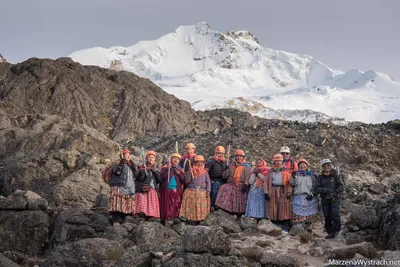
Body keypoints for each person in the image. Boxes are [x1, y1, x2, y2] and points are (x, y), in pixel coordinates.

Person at [313, 158, 344, 239]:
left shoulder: (335, 175)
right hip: (325, 199)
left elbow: (341, 186)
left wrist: (334, 193)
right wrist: (326, 190)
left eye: (328, 165)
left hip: (334, 198)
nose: (326, 166)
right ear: (322, 167)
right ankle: (330, 232)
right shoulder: (320, 177)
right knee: (327, 216)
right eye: (324, 165)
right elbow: (316, 188)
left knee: (335, 214)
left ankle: (337, 230)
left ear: (330, 165)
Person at [215, 150, 251, 216]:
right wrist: (226, 170)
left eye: (240, 156)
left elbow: (247, 177)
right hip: (231, 184)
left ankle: (240, 212)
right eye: (237, 156)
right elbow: (224, 177)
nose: (239, 158)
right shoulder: (230, 165)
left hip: (241, 184)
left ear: (243, 158)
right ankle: (223, 207)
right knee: (223, 187)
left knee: (241, 191)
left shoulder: (246, 167)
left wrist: (246, 184)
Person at [107, 149, 137, 226]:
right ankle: (115, 221)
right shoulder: (117, 163)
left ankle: (122, 221)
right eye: (125, 154)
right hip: (118, 186)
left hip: (128, 188)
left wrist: (133, 164)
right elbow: (117, 172)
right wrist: (121, 163)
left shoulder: (130, 166)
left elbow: (136, 174)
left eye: (128, 154)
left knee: (124, 205)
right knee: (117, 204)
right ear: (122, 155)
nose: (127, 156)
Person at [264, 154, 293, 231]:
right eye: (276, 161)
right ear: (274, 162)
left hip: (284, 191)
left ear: (282, 161)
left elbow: (290, 183)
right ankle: (275, 224)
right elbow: (266, 182)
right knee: (274, 206)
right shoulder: (270, 171)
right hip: (273, 190)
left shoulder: (286, 171)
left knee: (284, 207)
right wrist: (266, 192)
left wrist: (289, 192)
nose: (278, 163)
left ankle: (285, 225)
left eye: (279, 161)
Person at [179, 155, 211, 224]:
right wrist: (189, 173)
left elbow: (208, 182)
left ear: (203, 163)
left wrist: (208, 191)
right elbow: (186, 182)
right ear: (195, 163)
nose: (199, 164)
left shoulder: (205, 172)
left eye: (201, 162)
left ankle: (200, 218)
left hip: (202, 191)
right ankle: (190, 218)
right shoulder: (191, 170)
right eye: (198, 162)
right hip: (191, 190)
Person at [290, 158, 319, 232]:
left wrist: (312, 194)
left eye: (304, 165)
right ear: (298, 166)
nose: (302, 166)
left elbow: (315, 185)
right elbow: (292, 183)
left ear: (306, 166)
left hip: (309, 196)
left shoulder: (312, 175)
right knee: (298, 214)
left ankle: (308, 227)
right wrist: (293, 177)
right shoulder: (296, 174)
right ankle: (299, 228)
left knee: (309, 214)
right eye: (300, 165)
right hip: (298, 196)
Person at [159, 153, 185, 226]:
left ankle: (173, 218)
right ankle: (164, 218)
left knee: (175, 204)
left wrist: (179, 174)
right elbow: (161, 177)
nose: (175, 160)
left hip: (176, 190)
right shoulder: (165, 166)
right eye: (174, 158)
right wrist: (168, 169)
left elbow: (183, 181)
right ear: (171, 159)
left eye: (177, 159)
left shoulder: (179, 168)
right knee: (166, 205)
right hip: (166, 189)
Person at [135, 150, 162, 220]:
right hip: (143, 189)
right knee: (142, 210)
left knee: (151, 210)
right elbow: (140, 178)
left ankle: (149, 219)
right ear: (146, 158)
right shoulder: (141, 167)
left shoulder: (155, 168)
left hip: (152, 190)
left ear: (154, 159)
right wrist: (143, 170)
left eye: (152, 157)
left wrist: (155, 171)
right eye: (149, 157)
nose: (151, 159)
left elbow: (159, 180)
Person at [205, 146, 227, 211]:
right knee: (214, 190)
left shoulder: (225, 162)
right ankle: (212, 205)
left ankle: (221, 205)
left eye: (222, 153)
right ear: (216, 153)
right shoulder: (212, 161)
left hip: (222, 180)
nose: (220, 155)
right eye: (219, 153)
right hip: (213, 180)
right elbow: (206, 171)